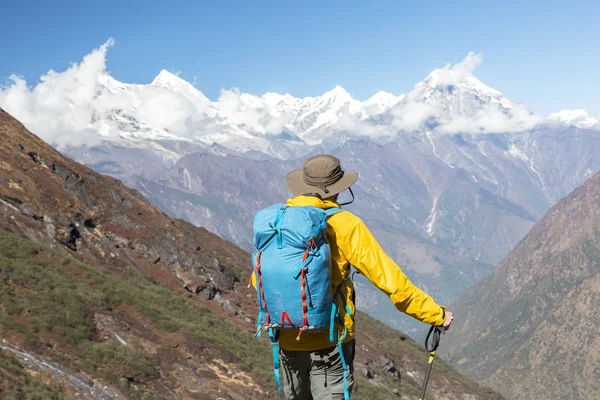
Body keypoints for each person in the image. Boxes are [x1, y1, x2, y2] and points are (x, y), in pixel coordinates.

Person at [279, 154, 454, 399]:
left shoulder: (279, 221)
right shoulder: (345, 225)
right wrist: (436, 314)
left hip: (286, 338)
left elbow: (260, 279)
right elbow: (391, 282)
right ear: (337, 190)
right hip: (329, 341)